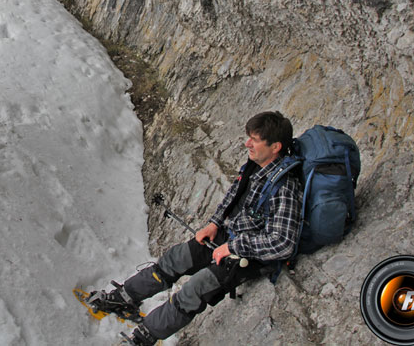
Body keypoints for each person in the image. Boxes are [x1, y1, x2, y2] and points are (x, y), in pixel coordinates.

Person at [90, 111, 302, 345]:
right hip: (229, 236)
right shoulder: (255, 166)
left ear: (275, 147)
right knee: (176, 258)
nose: (246, 143)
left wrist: (233, 246)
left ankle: (145, 336)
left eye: (255, 139)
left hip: (250, 255)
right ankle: (125, 297)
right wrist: (214, 223)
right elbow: (233, 197)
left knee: (195, 288)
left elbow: (283, 243)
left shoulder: (285, 187)